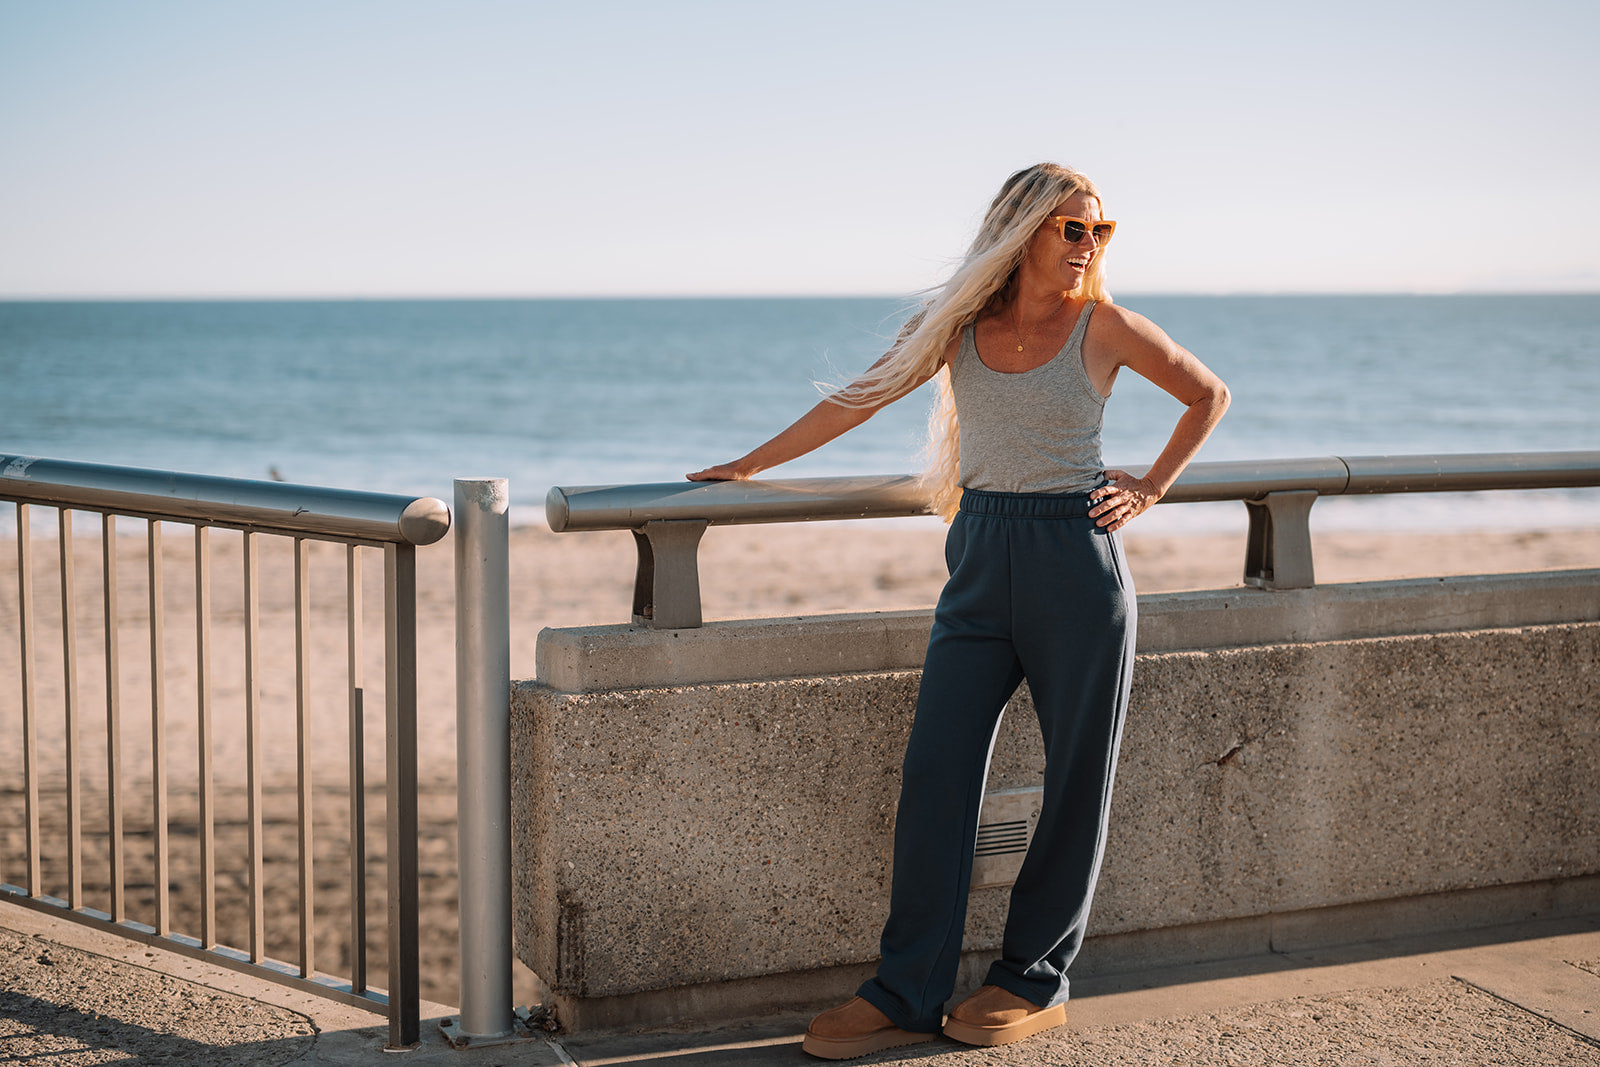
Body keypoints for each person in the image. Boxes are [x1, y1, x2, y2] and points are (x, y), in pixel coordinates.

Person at [687, 162, 1229, 1059]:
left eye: (1100, 230)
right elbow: (858, 397)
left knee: (1076, 783)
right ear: (1022, 234)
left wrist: (1151, 487)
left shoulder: (1108, 327)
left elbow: (1208, 394)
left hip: (1075, 566)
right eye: (1072, 228)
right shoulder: (959, 331)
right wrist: (750, 464)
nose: (1088, 245)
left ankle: (1031, 979)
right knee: (936, 775)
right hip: (978, 561)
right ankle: (906, 989)